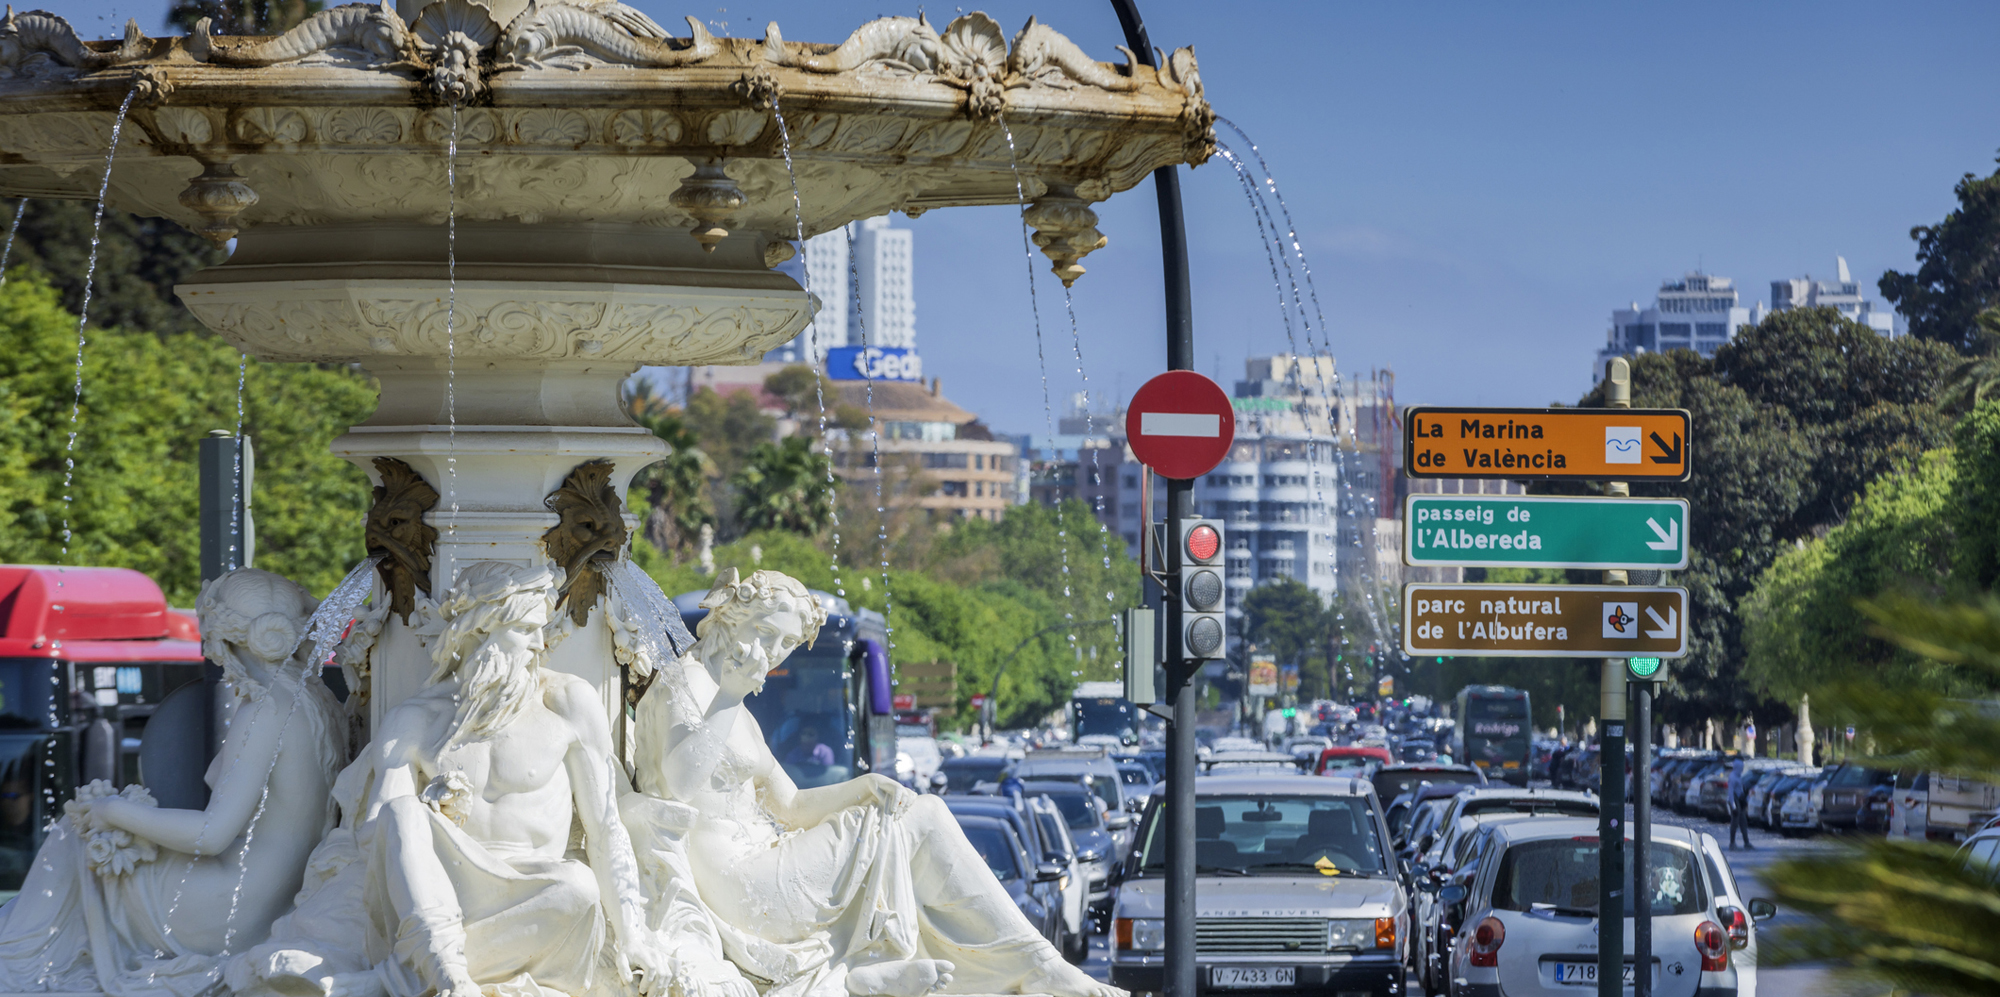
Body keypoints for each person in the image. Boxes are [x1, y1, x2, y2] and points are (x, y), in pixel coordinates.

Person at [626, 568, 1122, 997]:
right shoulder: (688, 683)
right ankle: (1036, 965)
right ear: (734, 615)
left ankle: (1007, 964)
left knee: (906, 813)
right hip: (738, 886)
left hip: (763, 861)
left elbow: (791, 804)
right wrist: (731, 693)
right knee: (922, 819)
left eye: (784, 645)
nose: (771, 655)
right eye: (766, 633)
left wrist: (863, 787)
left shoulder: (739, 712)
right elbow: (681, 785)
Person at [229, 562, 668, 997]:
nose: (540, 644)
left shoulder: (567, 704)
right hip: (437, 896)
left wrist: (632, 935)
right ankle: (447, 974)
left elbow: (606, 827)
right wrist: (430, 808)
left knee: (577, 888)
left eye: (541, 627)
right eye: (523, 629)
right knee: (403, 811)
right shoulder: (415, 719)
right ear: (478, 631)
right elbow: (376, 834)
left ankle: (402, 979)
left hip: (535, 894)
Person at [0, 569, 348, 997]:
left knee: (78, 830)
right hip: (276, 901)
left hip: (226, 912)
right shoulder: (318, 701)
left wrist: (116, 812)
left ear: (228, 638)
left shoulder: (265, 709)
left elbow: (211, 835)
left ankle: (15, 964)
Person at [1727, 757, 1754, 850]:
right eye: (1741, 767)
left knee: (1743, 822)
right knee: (1734, 823)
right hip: (1734, 800)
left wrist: (1745, 798)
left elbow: (1740, 789)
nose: (1742, 769)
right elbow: (1730, 793)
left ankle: (1746, 842)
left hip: (1740, 800)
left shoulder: (1738, 776)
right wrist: (1733, 806)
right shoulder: (1732, 777)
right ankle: (1732, 843)